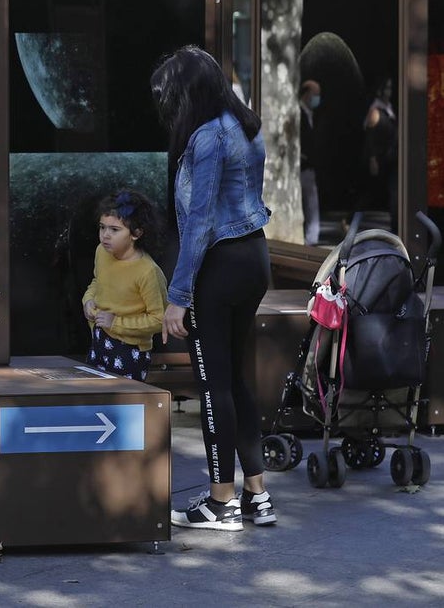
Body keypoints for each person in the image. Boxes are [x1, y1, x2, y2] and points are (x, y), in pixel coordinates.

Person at [150, 46, 274, 532]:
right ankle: (256, 494)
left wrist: (178, 297)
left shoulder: (205, 138)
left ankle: (221, 502)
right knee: (235, 378)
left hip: (217, 268)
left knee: (212, 385)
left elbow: (200, 223)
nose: (166, 107)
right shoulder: (246, 126)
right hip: (254, 259)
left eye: (169, 96)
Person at [81, 190, 168, 381]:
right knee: (93, 400)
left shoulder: (148, 271)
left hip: (131, 350)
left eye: (114, 230)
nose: (105, 236)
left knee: (122, 404)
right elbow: (97, 282)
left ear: (136, 233)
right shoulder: (101, 252)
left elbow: (160, 319)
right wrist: (88, 300)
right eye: (102, 227)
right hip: (99, 339)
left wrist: (117, 323)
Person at [363, 77, 397, 231]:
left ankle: (395, 225)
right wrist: (372, 159)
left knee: (389, 192)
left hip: (390, 157)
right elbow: (370, 138)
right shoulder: (375, 110)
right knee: (370, 192)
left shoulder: (389, 108)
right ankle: (350, 219)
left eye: (391, 88)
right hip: (380, 158)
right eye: (387, 88)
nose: (389, 92)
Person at [298, 79, 322, 245]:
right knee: (309, 202)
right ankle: (310, 238)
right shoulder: (298, 113)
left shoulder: (310, 114)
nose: (317, 98)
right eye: (315, 95)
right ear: (306, 94)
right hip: (301, 166)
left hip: (309, 166)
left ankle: (311, 239)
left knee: (310, 202)